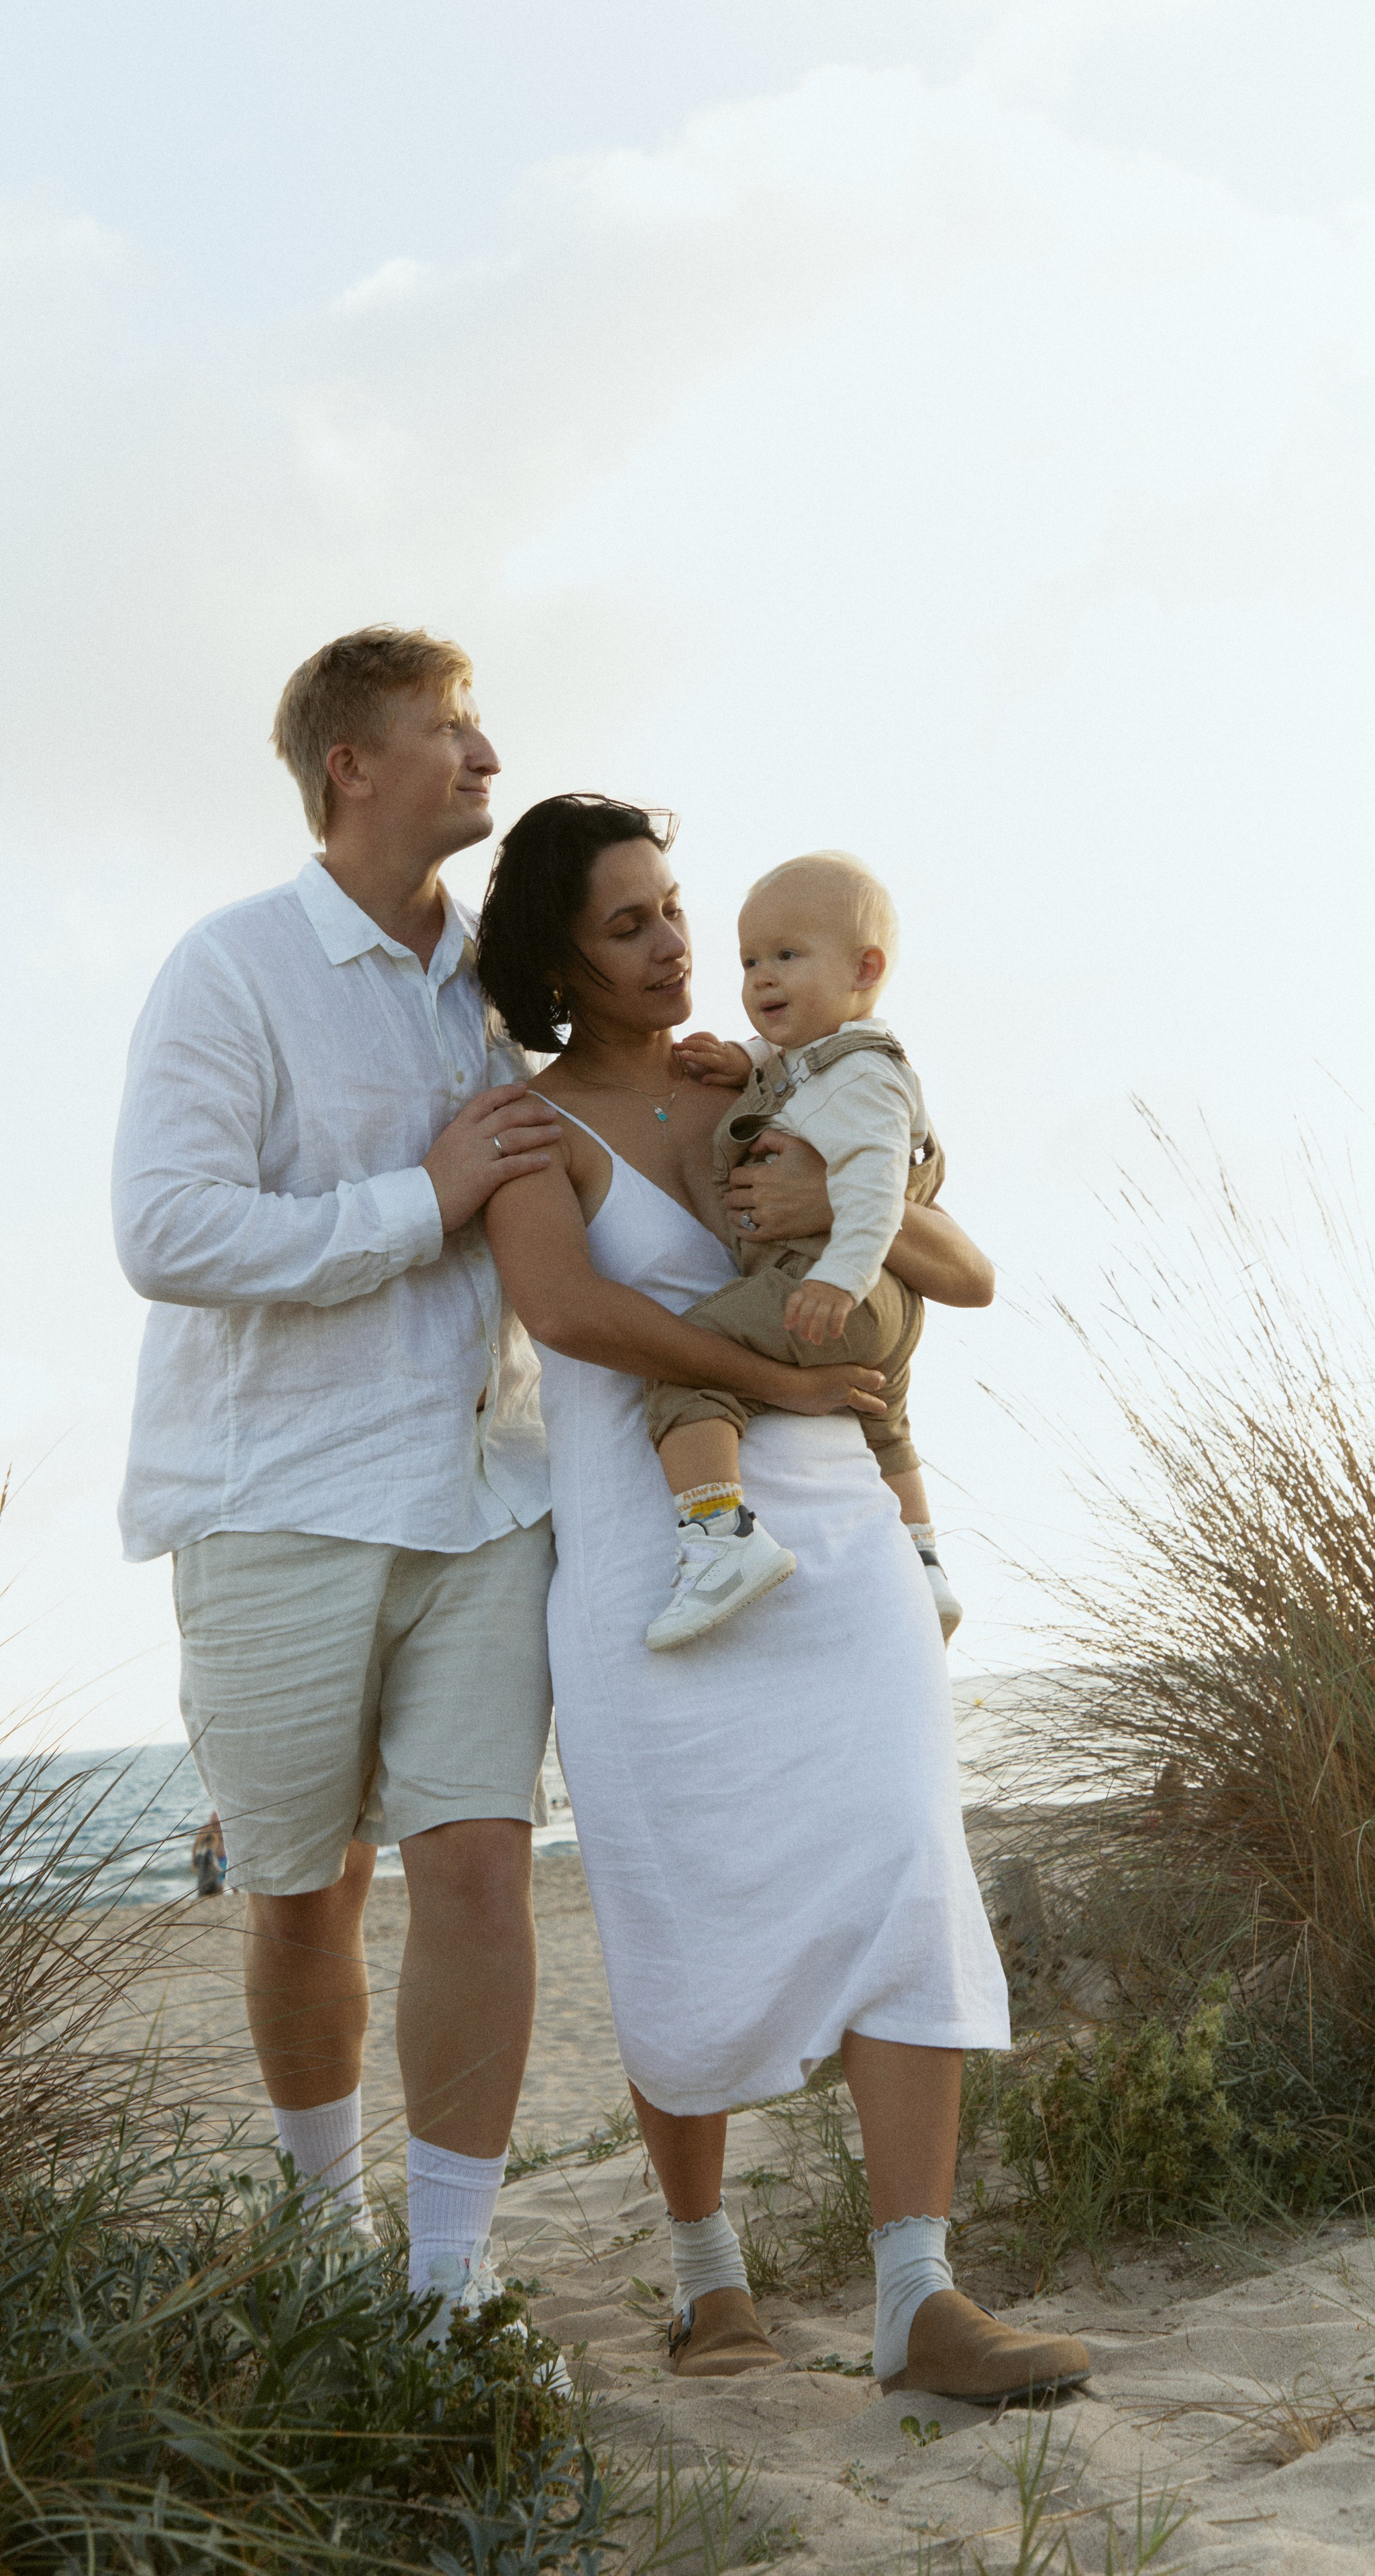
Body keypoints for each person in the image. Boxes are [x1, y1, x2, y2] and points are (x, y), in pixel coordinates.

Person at [474, 794, 1091, 2400]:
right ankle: (704, 2275)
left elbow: (957, 1270)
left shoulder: (773, 1081)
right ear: (556, 956)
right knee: (671, 1896)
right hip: (653, 1549)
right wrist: (772, 1376)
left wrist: (825, 1208)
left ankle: (914, 2290)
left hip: (835, 1540)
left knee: (902, 1861)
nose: (677, 945)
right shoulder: (527, 1123)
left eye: (674, 908)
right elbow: (568, 1310)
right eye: (629, 924)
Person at [112, 626, 565, 2332]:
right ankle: (326, 2236)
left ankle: (449, 2286)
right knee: (304, 1889)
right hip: (273, 1496)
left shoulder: (506, 984)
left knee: (476, 1864)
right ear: (345, 770)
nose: (486, 753)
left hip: (485, 1493)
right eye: (450, 728)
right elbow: (164, 1230)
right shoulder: (227, 966)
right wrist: (420, 1199)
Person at [640, 848, 964, 1651]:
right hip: (886, 1306)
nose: (760, 978)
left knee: (687, 1358)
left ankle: (719, 1539)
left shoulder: (866, 1080)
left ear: (865, 967)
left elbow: (875, 1190)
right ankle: (922, 1562)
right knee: (885, 1422)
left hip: (830, 1283)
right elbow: (793, 1067)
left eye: (787, 956)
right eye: (750, 960)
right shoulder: (825, 1060)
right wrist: (741, 1058)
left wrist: (837, 1279)